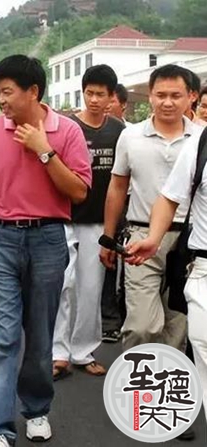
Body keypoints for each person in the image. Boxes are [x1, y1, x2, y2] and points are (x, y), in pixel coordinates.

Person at [0, 55, 91, 447]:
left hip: (48, 240)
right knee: (4, 338)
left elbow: (78, 191)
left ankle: (36, 410)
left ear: (33, 91)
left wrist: (44, 150)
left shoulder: (67, 131)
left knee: (39, 336)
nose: (0, 100)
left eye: (7, 91)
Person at [101, 64, 202, 353]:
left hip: (189, 241)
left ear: (191, 96)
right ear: (150, 96)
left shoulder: (201, 138)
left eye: (175, 95)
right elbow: (117, 187)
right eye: (161, 95)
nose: (167, 102)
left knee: (177, 325)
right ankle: (136, 378)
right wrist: (108, 237)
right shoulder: (130, 136)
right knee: (142, 325)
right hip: (140, 237)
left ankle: (167, 380)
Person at [126, 127, 207, 427]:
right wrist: (153, 237)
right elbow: (169, 197)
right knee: (201, 349)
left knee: (181, 334)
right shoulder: (201, 143)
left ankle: (167, 402)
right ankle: (146, 401)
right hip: (200, 267)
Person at [52, 65, 125, 380]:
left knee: (91, 290)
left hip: (97, 222)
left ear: (111, 97)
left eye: (100, 94)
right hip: (63, 218)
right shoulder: (67, 127)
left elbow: (122, 181)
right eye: (89, 93)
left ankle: (83, 351)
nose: (94, 99)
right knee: (61, 286)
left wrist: (111, 231)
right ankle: (58, 353)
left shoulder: (119, 131)